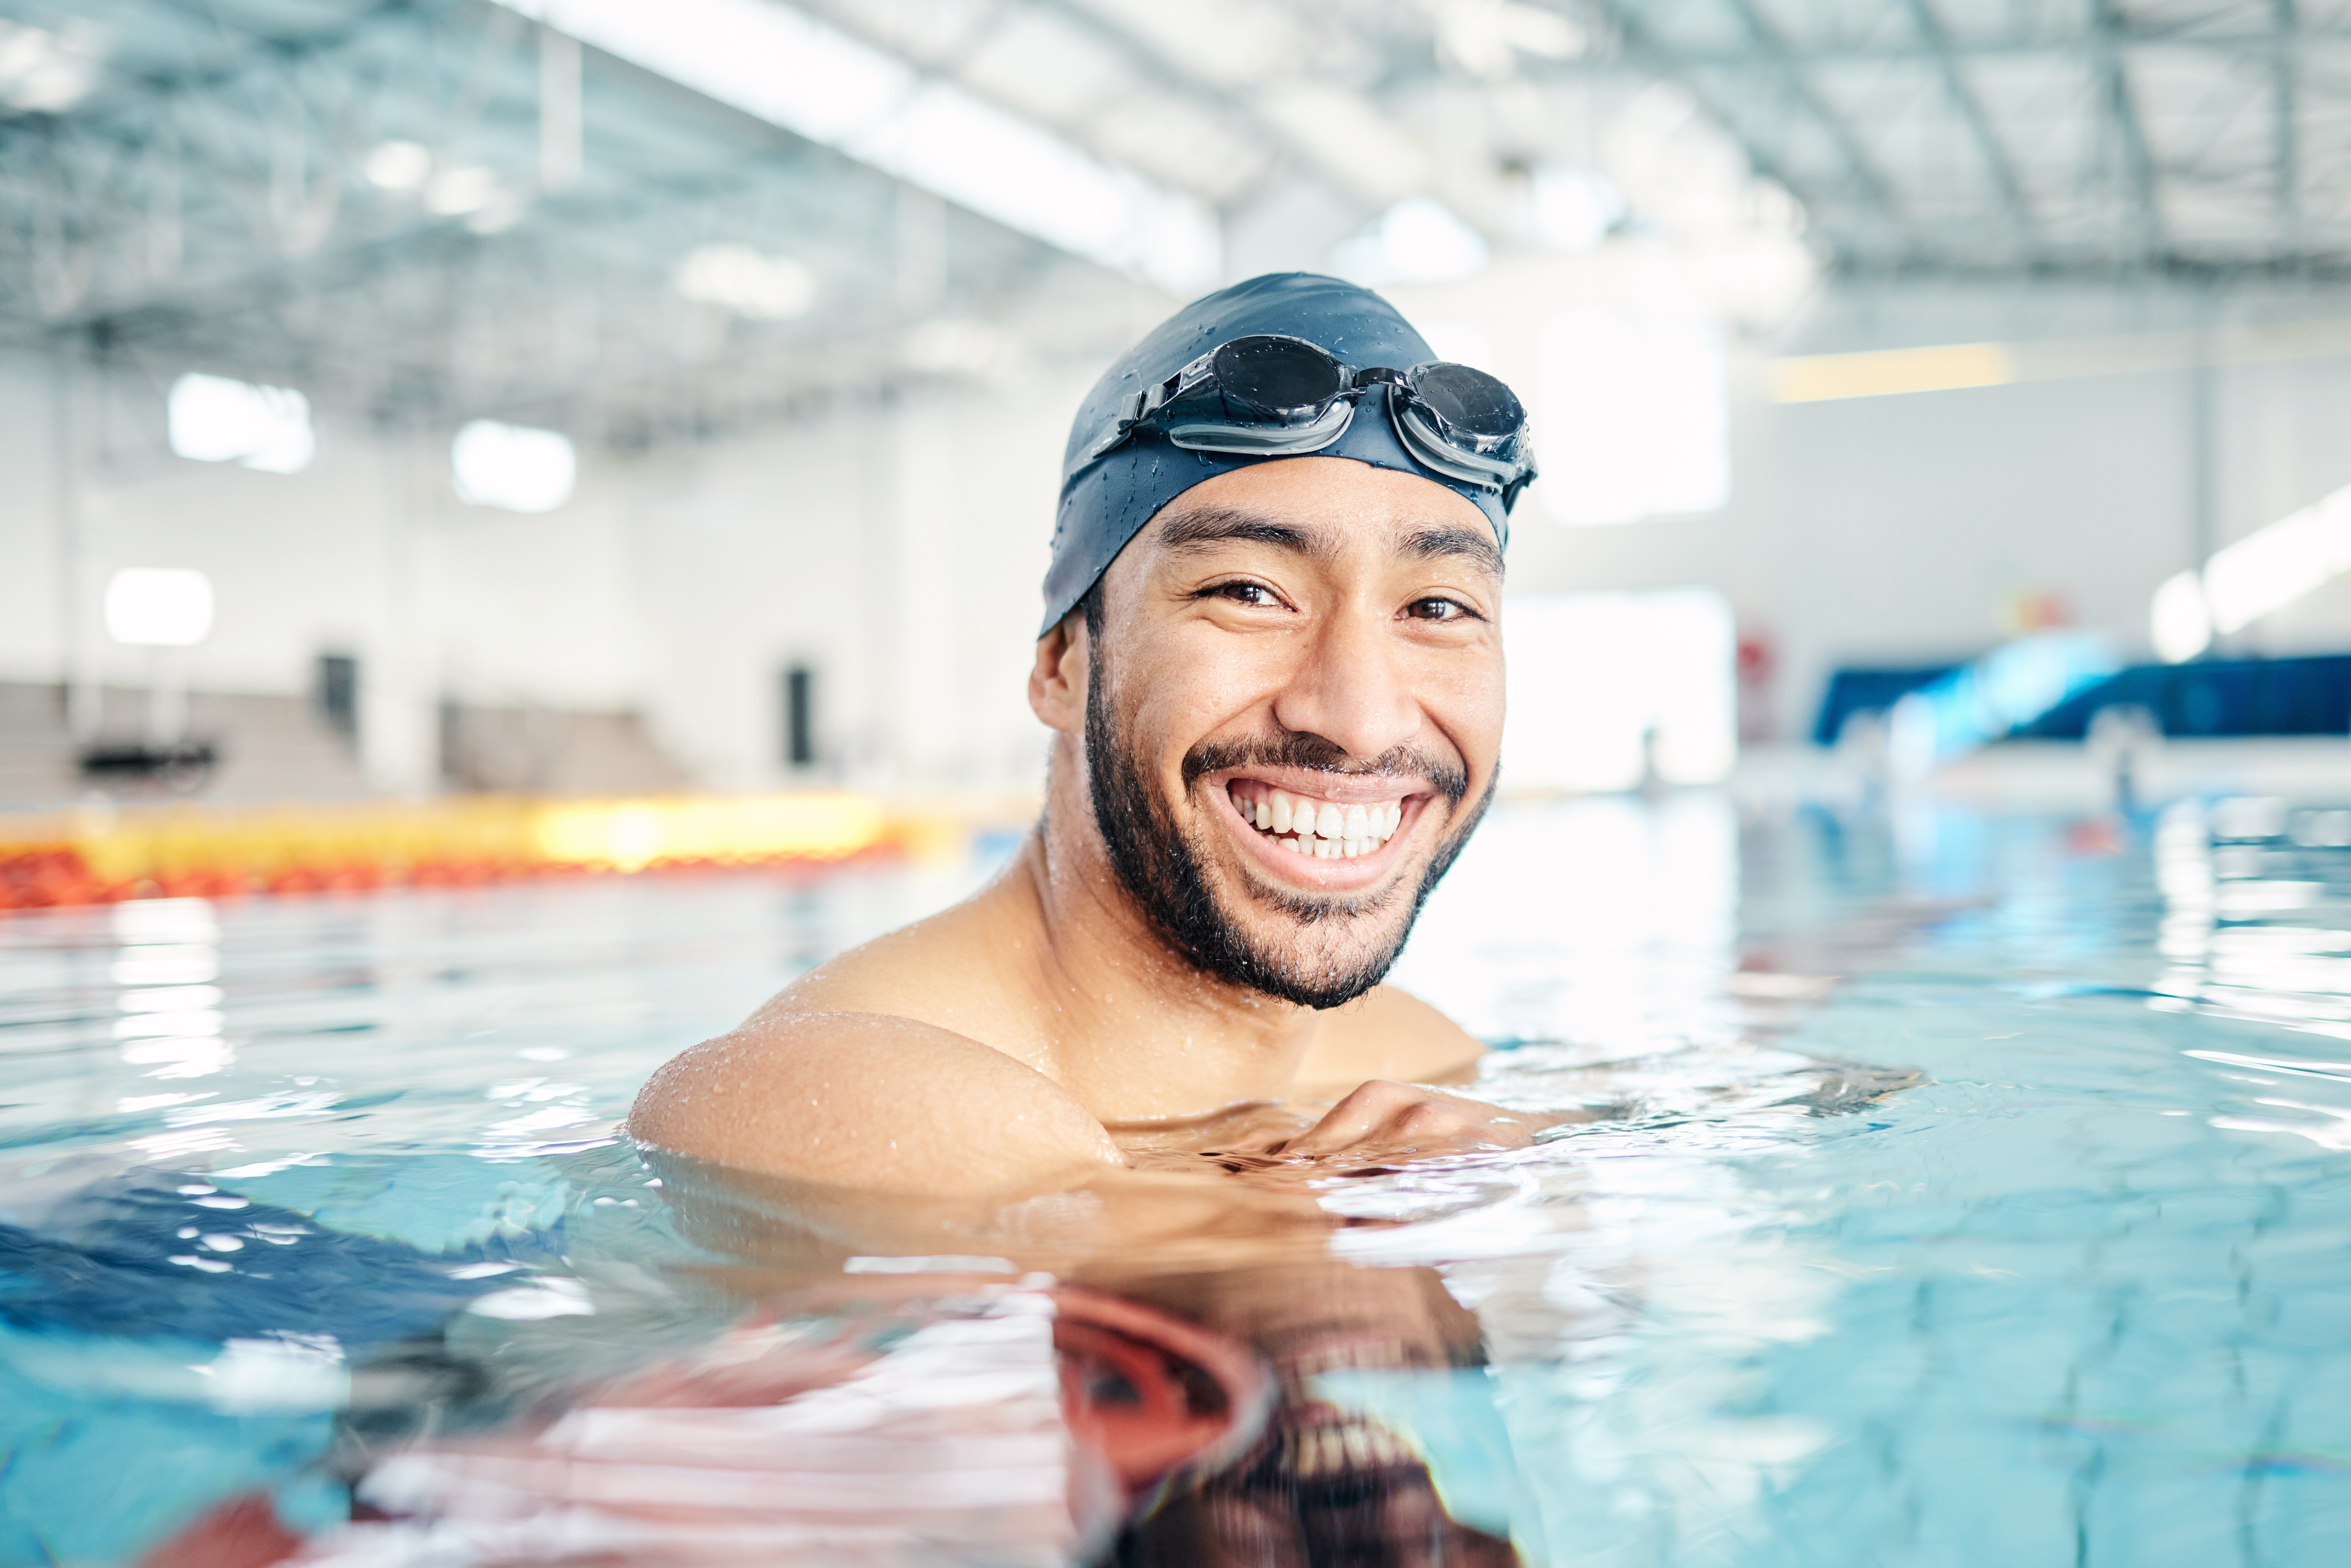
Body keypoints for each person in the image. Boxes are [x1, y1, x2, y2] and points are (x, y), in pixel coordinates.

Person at [632, 273, 1564, 1198]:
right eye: (1246, 593)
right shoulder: (810, 1093)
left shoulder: (1423, 1057)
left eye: (1438, 606)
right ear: (1060, 664)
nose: (1359, 719)